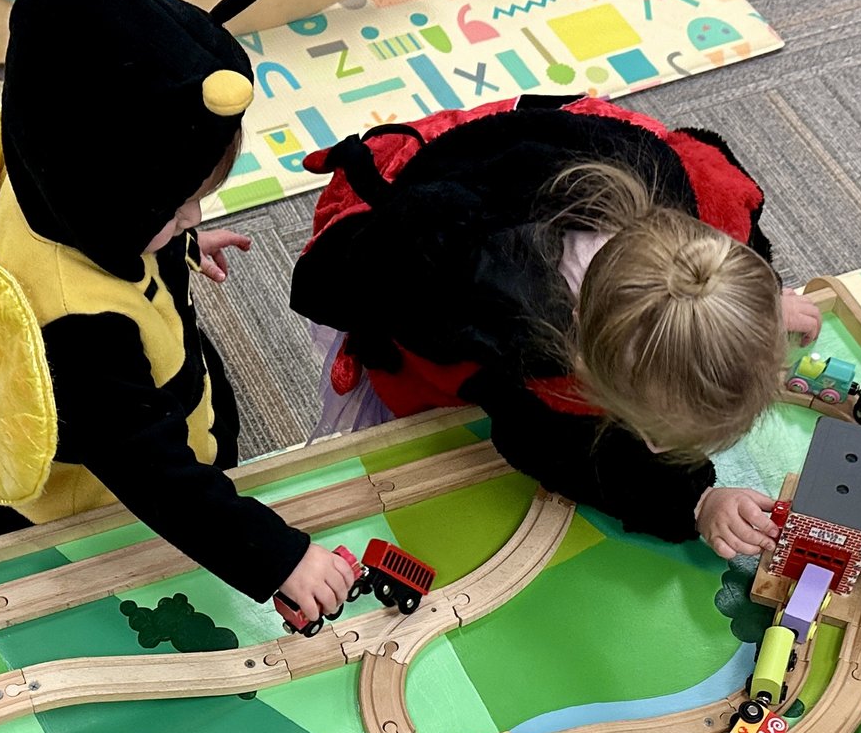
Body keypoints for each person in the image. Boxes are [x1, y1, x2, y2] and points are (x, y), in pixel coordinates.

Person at [0, 0, 360, 629]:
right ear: (107, 203)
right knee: (126, 612)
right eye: (173, 207)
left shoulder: (49, 165)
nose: (193, 214)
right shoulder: (83, 334)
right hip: (90, 501)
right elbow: (158, 481)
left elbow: (114, 202)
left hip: (124, 388)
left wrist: (180, 238)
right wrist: (279, 557)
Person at [286, 96, 820, 558]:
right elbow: (563, 452)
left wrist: (761, 303)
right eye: (651, 430)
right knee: (423, 433)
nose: (653, 445)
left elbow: (724, 266)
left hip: (534, 160)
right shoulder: (505, 336)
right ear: (582, 364)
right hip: (411, 227)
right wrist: (694, 499)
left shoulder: (706, 226)